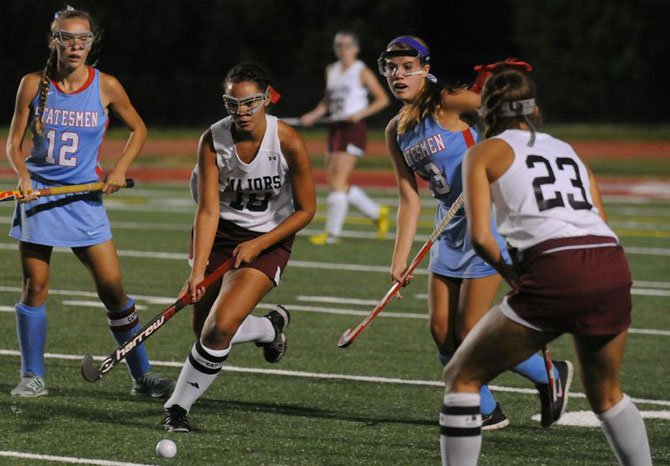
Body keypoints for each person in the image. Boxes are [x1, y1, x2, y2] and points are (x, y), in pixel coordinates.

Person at [439, 66, 652, 465]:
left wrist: (514, 277)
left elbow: (481, 238)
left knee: (462, 378)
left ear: (486, 110)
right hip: (610, 263)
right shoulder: (566, 148)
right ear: (534, 109)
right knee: (607, 395)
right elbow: (600, 219)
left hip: (555, 268)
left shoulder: (482, 152)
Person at [380, 36, 572, 430]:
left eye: (406, 66)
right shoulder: (394, 129)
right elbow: (408, 199)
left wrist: (493, 153)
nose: (398, 74)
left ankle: (548, 374)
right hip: (447, 228)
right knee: (440, 330)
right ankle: (486, 409)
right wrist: (399, 257)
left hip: (486, 222)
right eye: (391, 67)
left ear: (424, 67)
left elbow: (507, 119)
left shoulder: (449, 100)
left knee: (469, 329)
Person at [5, 6, 175, 398]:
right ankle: (32, 376)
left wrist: (118, 170)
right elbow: (13, 143)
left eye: (84, 38)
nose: (76, 45)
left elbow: (139, 129)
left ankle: (141, 375)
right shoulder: (32, 84)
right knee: (35, 287)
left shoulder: (106, 86)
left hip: (85, 201)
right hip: (40, 198)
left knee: (113, 291)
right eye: (68, 37)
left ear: (91, 43)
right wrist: (25, 176)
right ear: (55, 41)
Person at [161, 63, 316, 432]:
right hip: (220, 236)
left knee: (219, 328)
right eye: (233, 103)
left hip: (269, 240)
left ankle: (177, 408)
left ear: (266, 99)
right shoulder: (213, 140)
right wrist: (196, 272)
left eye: (250, 103)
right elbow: (208, 210)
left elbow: (307, 209)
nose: (242, 112)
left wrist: (259, 243)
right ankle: (268, 328)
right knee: (205, 329)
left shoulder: (288, 139)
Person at [300, 30, 391, 245]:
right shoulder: (331, 70)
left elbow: (382, 99)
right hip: (335, 126)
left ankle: (332, 234)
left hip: (353, 128)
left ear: (356, 48)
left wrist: (360, 113)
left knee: (338, 181)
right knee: (334, 181)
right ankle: (377, 213)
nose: (343, 50)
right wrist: (313, 115)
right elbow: (327, 102)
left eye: (347, 45)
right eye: (339, 45)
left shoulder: (362, 71)